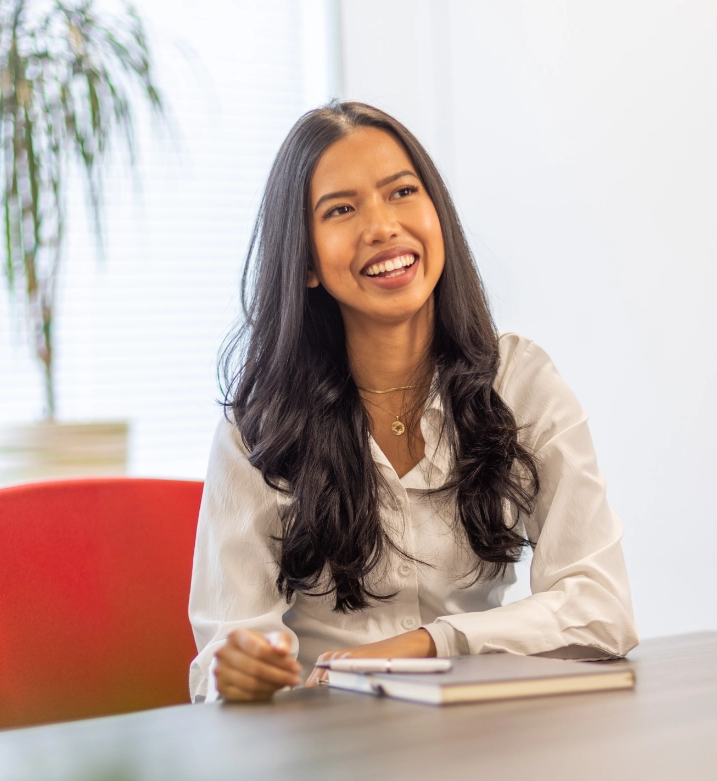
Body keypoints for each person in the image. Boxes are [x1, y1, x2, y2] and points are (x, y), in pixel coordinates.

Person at [188, 101, 638, 704]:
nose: (382, 227)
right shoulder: (260, 427)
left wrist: (433, 642)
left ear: (437, 215)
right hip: (327, 736)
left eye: (401, 192)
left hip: (481, 727)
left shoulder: (519, 380)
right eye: (341, 209)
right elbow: (226, 654)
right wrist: (240, 671)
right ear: (307, 262)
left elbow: (601, 607)